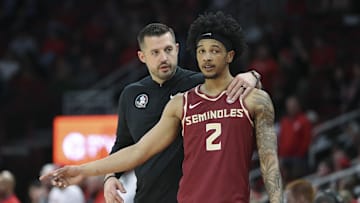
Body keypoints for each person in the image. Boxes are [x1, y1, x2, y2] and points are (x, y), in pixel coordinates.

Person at [40, 11, 282, 203]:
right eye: (201, 51)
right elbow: (135, 149)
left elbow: (269, 161)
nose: (207, 58)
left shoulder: (245, 95)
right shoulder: (179, 102)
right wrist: (84, 171)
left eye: (214, 51)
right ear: (142, 56)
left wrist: (253, 75)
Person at [104, 22, 262, 203]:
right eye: (155, 53)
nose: (164, 57)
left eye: (168, 49)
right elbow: (123, 143)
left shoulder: (201, 83)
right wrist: (110, 176)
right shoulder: (130, 95)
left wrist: (254, 77)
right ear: (142, 56)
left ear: (177, 49)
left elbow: (244, 89)